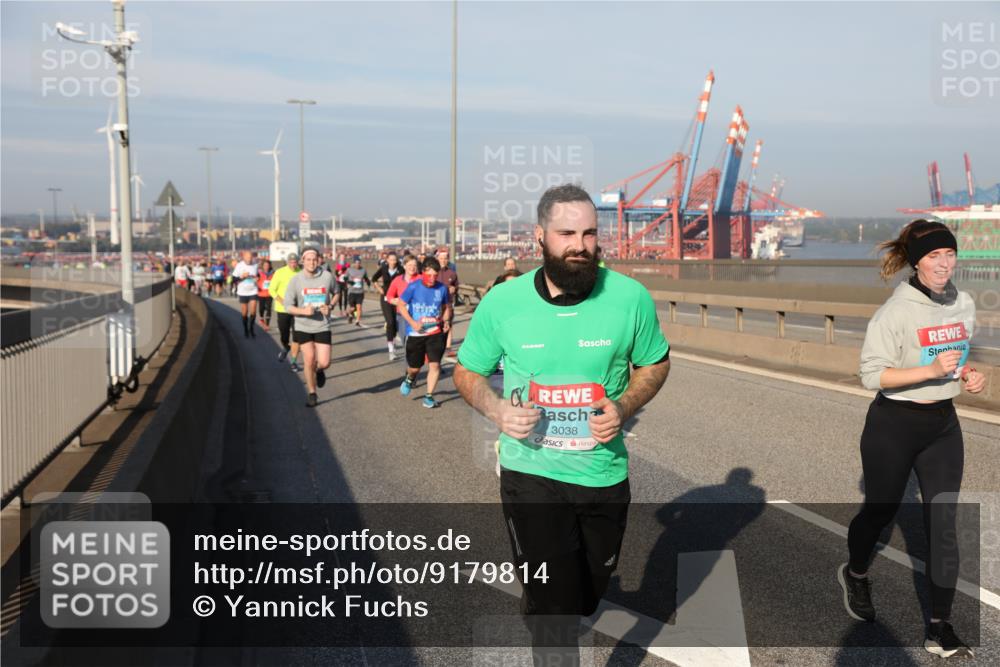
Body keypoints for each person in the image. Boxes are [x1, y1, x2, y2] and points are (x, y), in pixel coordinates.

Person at [453, 184, 671, 662]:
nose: (580, 244)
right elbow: (466, 371)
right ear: (540, 237)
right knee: (556, 615)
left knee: (587, 594)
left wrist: (625, 405)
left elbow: (655, 363)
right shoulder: (504, 303)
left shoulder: (629, 298)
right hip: (530, 472)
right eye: (567, 233)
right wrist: (498, 412)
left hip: (602, 475)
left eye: (590, 233)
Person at [839, 219, 982, 659]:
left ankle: (940, 628)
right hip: (893, 424)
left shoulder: (965, 302)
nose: (943, 264)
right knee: (879, 512)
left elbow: (956, 358)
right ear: (917, 261)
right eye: (934, 256)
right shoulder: (895, 312)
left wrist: (969, 373)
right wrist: (929, 372)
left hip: (942, 426)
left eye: (949, 255)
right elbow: (870, 374)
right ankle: (857, 572)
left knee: (944, 527)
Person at [282, 245, 338, 407]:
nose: (312, 263)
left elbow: (337, 293)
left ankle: (319, 371)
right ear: (302, 261)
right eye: (308, 259)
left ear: (318, 260)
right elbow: (288, 306)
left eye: (314, 259)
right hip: (302, 325)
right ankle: (312, 393)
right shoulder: (296, 280)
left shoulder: (327, 277)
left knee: (325, 362)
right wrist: (303, 311)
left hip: (322, 325)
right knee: (309, 359)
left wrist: (331, 306)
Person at [397, 256, 451, 408]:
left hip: (435, 332)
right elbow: (401, 305)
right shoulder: (413, 287)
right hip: (416, 334)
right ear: (423, 273)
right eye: (429, 275)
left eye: (435, 275)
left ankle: (429, 397)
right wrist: (413, 323)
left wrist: (446, 321)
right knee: (415, 367)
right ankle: (410, 378)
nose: (432, 279)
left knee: (435, 365)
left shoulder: (442, 288)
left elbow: (447, 307)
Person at [269, 253, 302, 371]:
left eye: (295, 262)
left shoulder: (302, 272)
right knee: (284, 335)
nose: (293, 264)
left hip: (297, 309)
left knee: (297, 335)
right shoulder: (280, 272)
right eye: (291, 262)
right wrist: (282, 301)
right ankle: (285, 347)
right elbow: (271, 290)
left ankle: (293, 361)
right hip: (282, 309)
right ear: (287, 262)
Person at [385, 255, 421, 354]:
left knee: (418, 342)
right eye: (409, 265)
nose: (412, 268)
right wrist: (395, 301)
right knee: (406, 342)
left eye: (414, 265)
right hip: (402, 316)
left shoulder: (421, 279)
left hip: (418, 315)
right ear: (404, 266)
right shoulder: (397, 280)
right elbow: (389, 296)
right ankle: (410, 366)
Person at [372, 252, 405, 360]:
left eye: (395, 260)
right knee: (390, 322)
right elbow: (373, 278)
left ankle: (393, 340)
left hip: (397, 299)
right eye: (391, 260)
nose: (393, 262)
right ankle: (391, 350)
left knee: (396, 324)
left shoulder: (401, 269)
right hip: (386, 298)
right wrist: (379, 289)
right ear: (387, 260)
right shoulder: (383, 268)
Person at [435, 247, 460, 355]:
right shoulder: (433, 272)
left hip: (448, 303)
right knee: (436, 326)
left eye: (445, 258)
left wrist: (454, 289)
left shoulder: (452, 273)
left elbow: (457, 285)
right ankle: (436, 346)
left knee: (448, 324)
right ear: (438, 259)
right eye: (441, 258)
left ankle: (448, 347)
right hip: (435, 304)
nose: (443, 260)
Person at [233, 251, 260, 338]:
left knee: (253, 311)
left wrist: (257, 278)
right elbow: (234, 279)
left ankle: (251, 328)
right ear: (243, 257)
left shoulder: (255, 264)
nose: (249, 259)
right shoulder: (239, 266)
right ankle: (245, 329)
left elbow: (257, 275)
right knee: (244, 312)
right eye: (247, 257)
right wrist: (242, 277)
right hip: (243, 292)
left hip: (253, 290)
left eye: (251, 257)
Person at [345, 256, 371, 327]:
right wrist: (351, 283)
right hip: (352, 292)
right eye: (356, 263)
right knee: (352, 308)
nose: (357, 264)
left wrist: (368, 282)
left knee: (359, 307)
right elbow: (345, 278)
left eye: (359, 263)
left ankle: (357, 321)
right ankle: (349, 314)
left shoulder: (363, 270)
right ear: (353, 263)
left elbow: (366, 278)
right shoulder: (349, 270)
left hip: (360, 292)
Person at [256, 259, 275, 330]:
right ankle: (261, 318)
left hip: (270, 294)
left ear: (270, 266)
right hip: (261, 294)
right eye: (265, 265)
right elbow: (255, 280)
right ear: (263, 266)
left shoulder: (273, 273)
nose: (266, 266)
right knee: (261, 308)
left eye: (267, 265)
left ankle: (267, 324)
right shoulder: (259, 273)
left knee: (269, 309)